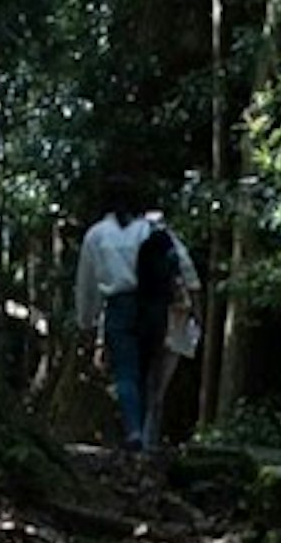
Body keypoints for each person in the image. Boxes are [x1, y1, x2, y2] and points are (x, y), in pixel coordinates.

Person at [70, 184, 196, 452]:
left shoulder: (97, 235)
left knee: (125, 372)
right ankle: (147, 436)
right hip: (154, 307)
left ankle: (134, 431)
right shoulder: (152, 229)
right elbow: (184, 266)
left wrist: (86, 321)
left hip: (119, 306)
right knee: (149, 370)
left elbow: (87, 283)